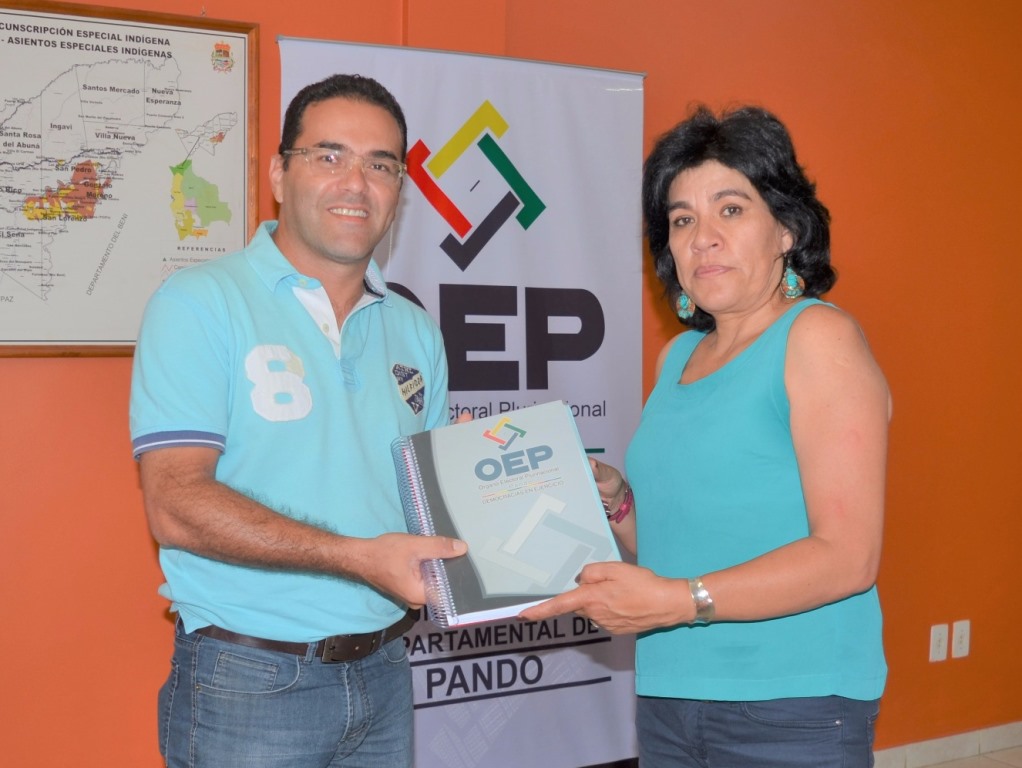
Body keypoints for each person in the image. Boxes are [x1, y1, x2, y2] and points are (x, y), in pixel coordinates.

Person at [522, 105, 890, 767]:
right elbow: (672, 548)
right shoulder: (677, 359)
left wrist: (676, 602)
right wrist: (617, 501)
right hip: (670, 696)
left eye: (731, 210)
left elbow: (848, 557)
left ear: (786, 229)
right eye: (682, 220)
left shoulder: (817, 337)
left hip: (792, 705)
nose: (703, 239)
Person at [130, 74, 466, 768]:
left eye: (381, 165)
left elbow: (435, 503)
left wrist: (538, 499)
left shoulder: (415, 330)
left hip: (386, 670)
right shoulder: (200, 303)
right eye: (329, 156)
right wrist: (356, 557)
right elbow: (176, 504)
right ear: (280, 175)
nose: (356, 183)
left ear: (399, 190)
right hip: (250, 682)